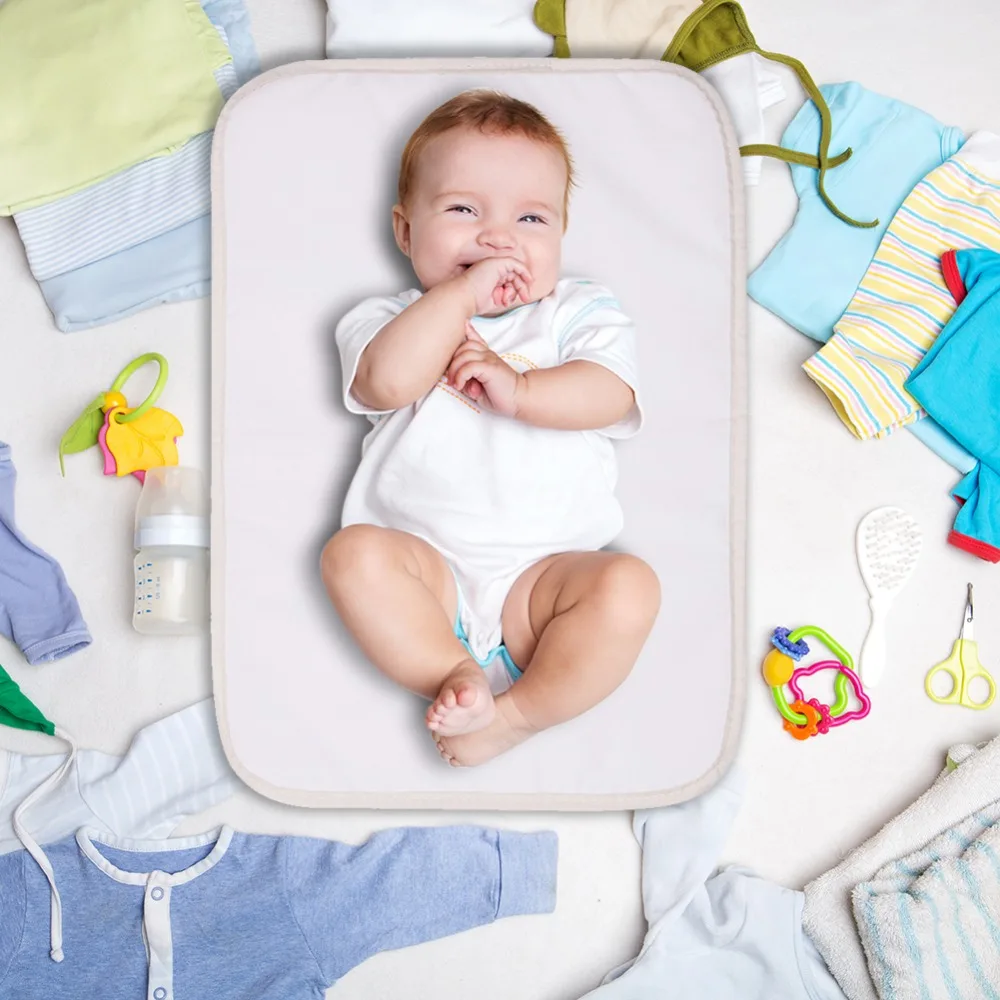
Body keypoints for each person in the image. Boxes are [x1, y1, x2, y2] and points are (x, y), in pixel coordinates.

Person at [322, 90, 659, 767]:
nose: (498, 237)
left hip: (545, 581)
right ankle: (455, 674)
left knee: (630, 587)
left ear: (562, 235)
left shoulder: (577, 311)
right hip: (426, 571)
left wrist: (523, 389)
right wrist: (459, 297)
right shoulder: (386, 318)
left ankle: (515, 716)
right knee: (351, 555)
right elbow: (384, 382)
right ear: (406, 230)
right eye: (463, 210)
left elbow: (610, 391)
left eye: (531, 217)